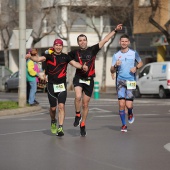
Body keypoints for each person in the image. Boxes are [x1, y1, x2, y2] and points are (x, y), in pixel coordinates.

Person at [68, 24, 123, 136]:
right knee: (78, 97)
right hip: (79, 78)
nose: (82, 42)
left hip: (89, 80)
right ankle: (77, 115)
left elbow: (105, 40)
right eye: (80, 40)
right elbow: (64, 58)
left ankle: (83, 123)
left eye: (84, 40)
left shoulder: (92, 49)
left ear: (86, 41)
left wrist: (115, 30)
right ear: (78, 43)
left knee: (85, 104)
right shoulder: (74, 53)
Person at [25, 39, 88, 137]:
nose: (58, 47)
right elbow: (38, 59)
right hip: (51, 86)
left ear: (62, 47)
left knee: (61, 106)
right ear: (54, 46)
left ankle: (60, 127)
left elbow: (74, 63)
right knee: (53, 108)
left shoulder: (65, 57)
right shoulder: (48, 56)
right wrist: (31, 57)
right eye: (56, 45)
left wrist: (82, 66)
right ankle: (53, 120)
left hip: (62, 86)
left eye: (60, 45)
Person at [110, 34, 143, 132]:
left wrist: (136, 67)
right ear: (119, 42)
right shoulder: (116, 55)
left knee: (128, 105)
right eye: (122, 41)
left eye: (126, 41)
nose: (124, 43)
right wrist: (115, 65)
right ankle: (124, 125)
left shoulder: (134, 53)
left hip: (131, 81)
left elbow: (141, 63)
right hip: (120, 81)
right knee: (121, 104)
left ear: (128, 42)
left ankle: (130, 112)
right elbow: (111, 69)